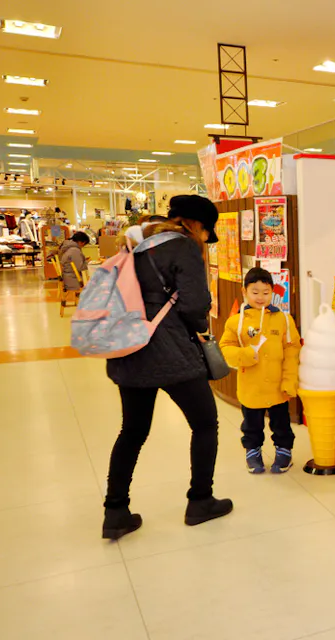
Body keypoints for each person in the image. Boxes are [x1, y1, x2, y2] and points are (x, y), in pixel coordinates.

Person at [102, 195, 232, 540]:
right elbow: (195, 305)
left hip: (128, 345)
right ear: (197, 225)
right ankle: (200, 500)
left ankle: (115, 511)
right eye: (207, 232)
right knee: (205, 423)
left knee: (132, 431)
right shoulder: (184, 247)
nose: (206, 240)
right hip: (171, 352)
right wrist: (201, 329)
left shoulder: (136, 241)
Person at [220, 268, 301, 474]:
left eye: (266, 292)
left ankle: (284, 450)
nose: (260, 297)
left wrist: (289, 380)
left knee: (281, 423)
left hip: (277, 385)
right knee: (251, 424)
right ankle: (252, 450)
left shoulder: (284, 319)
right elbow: (225, 349)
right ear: (244, 291)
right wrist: (245, 355)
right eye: (255, 292)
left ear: (272, 292)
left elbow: (292, 350)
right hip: (251, 386)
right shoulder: (235, 322)